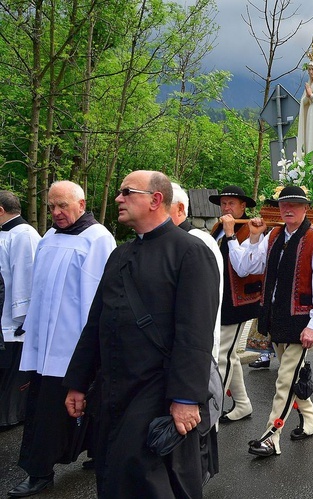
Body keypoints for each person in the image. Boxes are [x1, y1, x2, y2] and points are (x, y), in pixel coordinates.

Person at [64, 171, 220, 498]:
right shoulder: (119, 255)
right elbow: (97, 324)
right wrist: (78, 382)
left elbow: (195, 333)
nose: (118, 198)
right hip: (113, 389)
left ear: (155, 199)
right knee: (112, 475)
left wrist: (186, 398)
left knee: (152, 481)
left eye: (126, 192)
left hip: (159, 391)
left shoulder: (190, 252)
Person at [8, 181, 115, 498]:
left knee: (70, 407)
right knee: (47, 408)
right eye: (51, 206)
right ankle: (46, 468)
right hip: (45, 345)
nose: (55, 213)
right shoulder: (49, 237)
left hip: (73, 346)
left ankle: (54, 467)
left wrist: (91, 350)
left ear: (81, 205)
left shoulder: (98, 239)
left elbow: (96, 299)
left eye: (62, 206)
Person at [242, 185, 313, 457]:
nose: (289, 209)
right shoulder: (273, 236)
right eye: (284, 205)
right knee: (291, 376)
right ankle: (310, 419)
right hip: (276, 318)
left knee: (283, 380)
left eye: (295, 205)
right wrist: (255, 238)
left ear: (306, 208)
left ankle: (272, 436)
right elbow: (248, 267)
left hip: (300, 322)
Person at [169, 183, 222, 482]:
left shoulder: (198, 241)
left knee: (198, 411)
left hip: (197, 341)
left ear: (180, 210)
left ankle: (198, 469)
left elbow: (204, 299)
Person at [210, 185, 260, 423]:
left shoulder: (252, 228)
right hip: (220, 296)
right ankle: (242, 404)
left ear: (243, 207)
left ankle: (211, 409)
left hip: (240, 299)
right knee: (229, 354)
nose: (226, 208)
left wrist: (231, 233)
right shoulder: (217, 227)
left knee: (222, 354)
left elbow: (245, 266)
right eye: (223, 203)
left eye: (231, 203)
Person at [0, 191, 41, 429]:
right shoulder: (7, 234)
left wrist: (22, 319)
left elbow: (26, 277)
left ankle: (11, 415)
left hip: (14, 324)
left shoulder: (24, 235)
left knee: (12, 376)